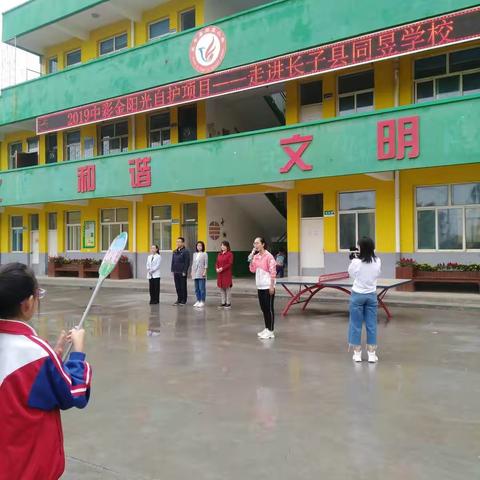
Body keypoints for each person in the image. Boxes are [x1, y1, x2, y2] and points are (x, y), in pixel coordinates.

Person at [0, 263, 92, 480]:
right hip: (28, 468)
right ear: (28, 303)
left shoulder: (38, 355)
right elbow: (74, 393)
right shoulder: (36, 353)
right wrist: (77, 352)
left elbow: (30, 386)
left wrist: (55, 356)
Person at [348, 236, 382, 363]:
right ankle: (372, 354)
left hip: (357, 295)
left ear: (361, 248)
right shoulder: (378, 260)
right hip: (371, 295)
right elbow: (377, 273)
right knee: (371, 325)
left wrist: (353, 260)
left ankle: (357, 354)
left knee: (355, 324)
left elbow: (351, 273)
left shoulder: (356, 262)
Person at [248, 237, 277, 339]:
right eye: (254, 243)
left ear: (263, 244)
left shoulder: (269, 256)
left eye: (257, 243)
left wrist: (272, 286)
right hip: (260, 286)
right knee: (263, 308)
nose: (255, 245)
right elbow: (252, 270)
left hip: (268, 286)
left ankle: (271, 331)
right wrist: (251, 260)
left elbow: (273, 271)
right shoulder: (256, 256)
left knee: (269, 309)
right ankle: (266, 328)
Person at [171, 237, 190, 306]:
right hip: (176, 271)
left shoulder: (185, 251)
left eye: (179, 242)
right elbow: (173, 261)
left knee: (183, 286)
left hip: (182, 272)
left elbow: (187, 262)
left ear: (183, 243)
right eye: (177, 242)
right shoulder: (175, 251)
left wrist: (185, 271)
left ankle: (183, 300)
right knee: (177, 286)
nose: (178, 243)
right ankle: (179, 299)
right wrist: (172, 270)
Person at [215, 241, 234, 309]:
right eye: (221, 245)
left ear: (227, 246)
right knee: (221, 288)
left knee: (227, 288)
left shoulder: (230, 254)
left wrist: (222, 268)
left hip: (226, 273)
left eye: (224, 245)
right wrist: (217, 268)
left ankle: (228, 303)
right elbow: (217, 262)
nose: (222, 246)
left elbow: (230, 263)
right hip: (220, 274)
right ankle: (223, 302)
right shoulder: (219, 254)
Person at [192, 241, 208, 308]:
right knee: (196, 288)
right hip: (195, 273)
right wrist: (192, 272)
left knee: (202, 288)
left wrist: (205, 271)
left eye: (200, 246)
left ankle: (202, 301)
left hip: (201, 273)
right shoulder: (194, 254)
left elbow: (206, 264)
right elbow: (193, 264)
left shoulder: (205, 254)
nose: (199, 247)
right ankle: (198, 300)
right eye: (198, 246)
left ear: (203, 247)